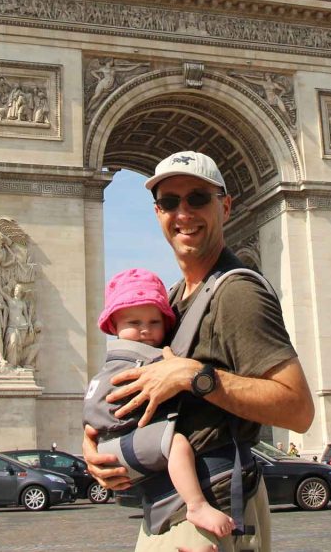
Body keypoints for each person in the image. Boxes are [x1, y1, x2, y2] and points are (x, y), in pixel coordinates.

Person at [83, 150, 314, 552]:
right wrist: (94, 445)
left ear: (225, 206)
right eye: (170, 202)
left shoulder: (239, 293)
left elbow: (298, 410)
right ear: (157, 213)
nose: (183, 213)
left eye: (198, 198)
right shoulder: (167, 304)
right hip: (167, 503)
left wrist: (194, 376)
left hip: (212, 508)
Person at [87, 268, 235, 538]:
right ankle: (196, 505)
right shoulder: (137, 357)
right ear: (114, 326)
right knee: (176, 443)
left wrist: (92, 435)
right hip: (124, 442)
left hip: (120, 444)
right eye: (134, 323)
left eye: (154, 323)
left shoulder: (113, 358)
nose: (145, 330)